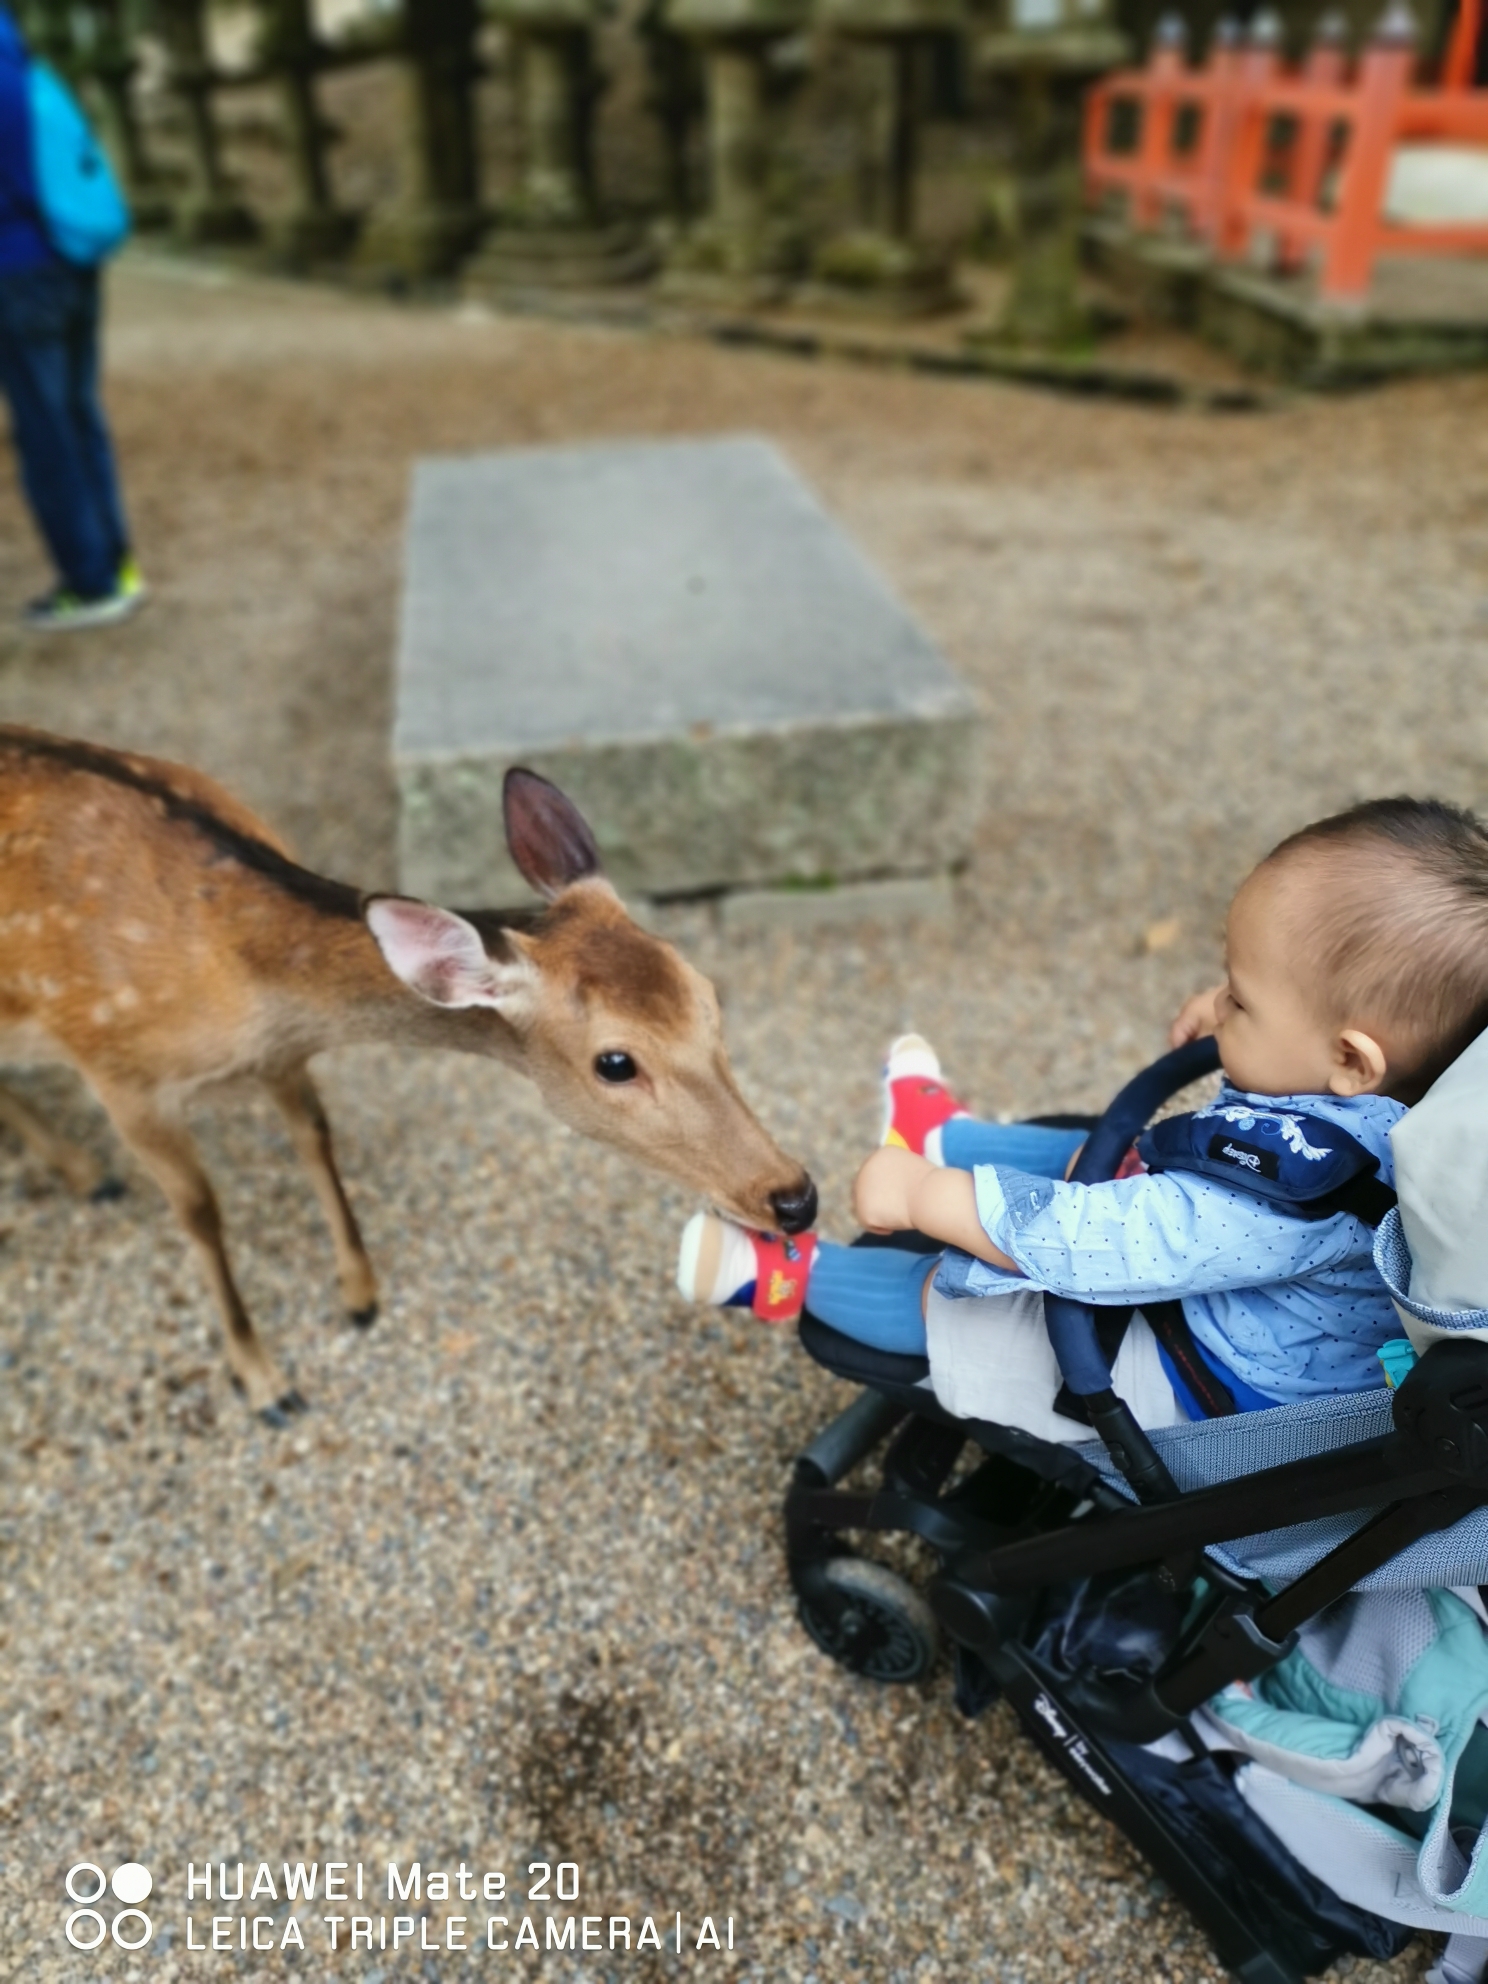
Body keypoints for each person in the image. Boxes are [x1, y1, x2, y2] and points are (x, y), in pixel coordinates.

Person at [677, 797, 1488, 1437]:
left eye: (1241, 996)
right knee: (1106, 1153)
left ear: (1350, 1060)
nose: (1221, 1000)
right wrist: (1234, 1016)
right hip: (1222, 1292)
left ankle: (792, 1274)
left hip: (1209, 1389)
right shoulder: (1384, 1097)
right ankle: (941, 1133)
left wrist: (928, 1199)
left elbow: (1099, 1244)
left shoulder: (1293, 1195)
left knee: (982, 1308)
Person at [0, 4, 143, 631]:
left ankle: (89, 583)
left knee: (46, 432)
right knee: (81, 417)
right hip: (73, 260)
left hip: (19, 273)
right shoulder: (22, 62)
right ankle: (117, 562)